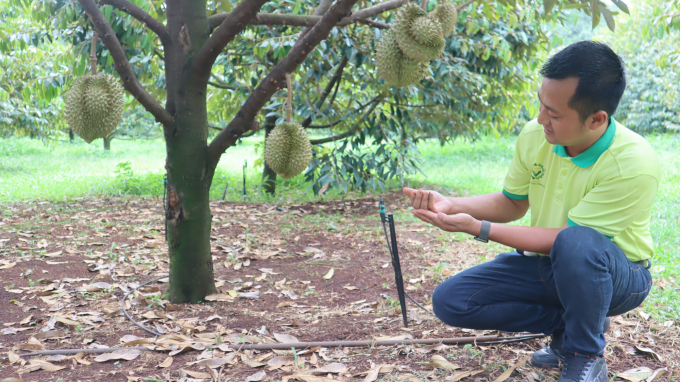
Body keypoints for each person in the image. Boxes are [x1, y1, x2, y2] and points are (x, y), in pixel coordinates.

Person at [403, 41, 659, 382]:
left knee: (577, 244)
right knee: (452, 301)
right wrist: (453, 204)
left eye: (554, 113)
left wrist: (478, 228)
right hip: (548, 264)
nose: (541, 119)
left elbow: (568, 240)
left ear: (597, 119)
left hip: (618, 276)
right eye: (541, 105)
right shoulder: (536, 136)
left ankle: (585, 353)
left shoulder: (633, 162)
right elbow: (512, 203)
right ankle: (573, 322)